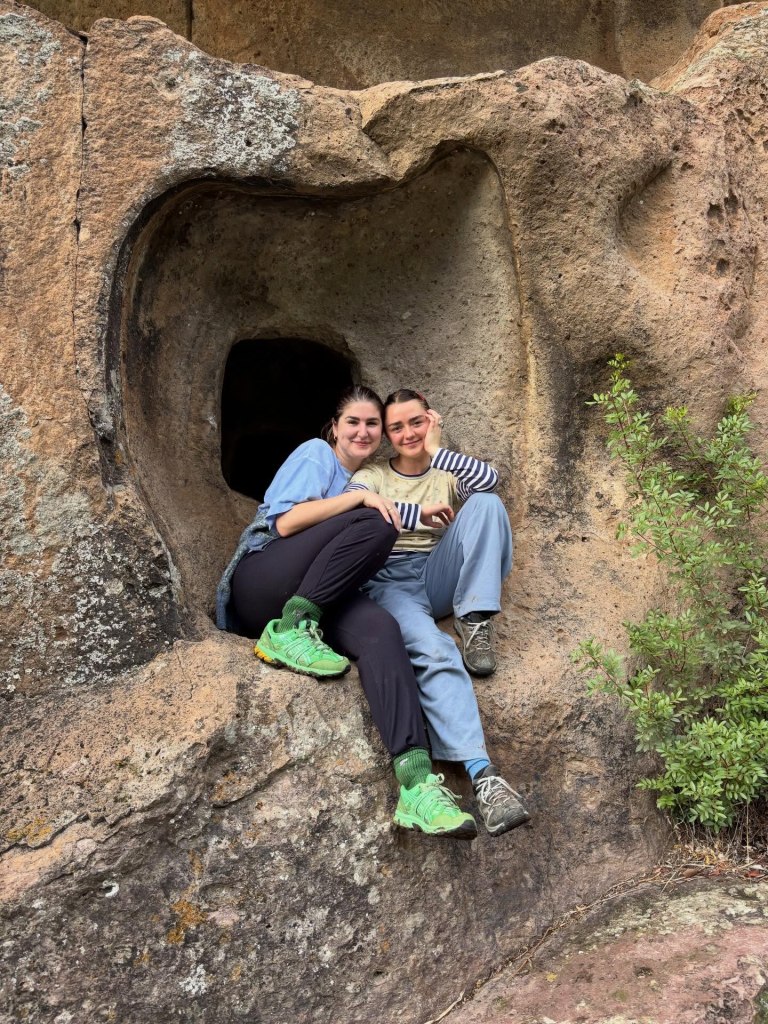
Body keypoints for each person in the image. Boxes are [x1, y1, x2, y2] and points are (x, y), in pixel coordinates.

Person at [216, 385, 479, 839]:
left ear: (381, 435)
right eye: (352, 422)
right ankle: (290, 629)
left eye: (372, 424)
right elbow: (286, 523)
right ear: (334, 427)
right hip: (264, 583)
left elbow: (389, 514)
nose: (362, 431)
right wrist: (362, 502)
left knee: (382, 631)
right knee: (375, 521)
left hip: (325, 595)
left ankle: (416, 785)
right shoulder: (318, 455)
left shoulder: (371, 481)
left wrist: (407, 507)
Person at [346, 388, 531, 836]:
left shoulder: (446, 471)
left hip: (437, 572)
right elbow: (352, 514)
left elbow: (488, 482)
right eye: (397, 427)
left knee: (487, 504)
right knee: (435, 649)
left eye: (416, 422)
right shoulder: (371, 475)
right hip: (391, 584)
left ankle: (474, 616)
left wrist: (436, 449)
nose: (407, 433)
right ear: (386, 435)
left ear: (431, 420)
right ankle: (483, 777)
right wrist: (415, 514)